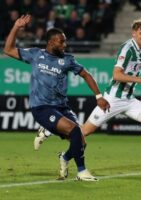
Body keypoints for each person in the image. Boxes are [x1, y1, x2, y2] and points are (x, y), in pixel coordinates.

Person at [34, 18, 141, 173]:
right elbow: (116, 75)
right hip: (112, 100)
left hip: (129, 100)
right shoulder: (127, 49)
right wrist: (139, 79)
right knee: (82, 133)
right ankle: (48, 131)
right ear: (134, 34)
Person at [3, 15, 110, 181]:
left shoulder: (67, 60)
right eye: (61, 41)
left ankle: (65, 158)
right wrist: (16, 27)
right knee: (74, 130)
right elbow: (8, 49)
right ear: (51, 42)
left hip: (62, 107)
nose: (64, 45)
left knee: (80, 141)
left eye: (65, 41)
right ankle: (81, 172)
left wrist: (98, 96)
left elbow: (86, 75)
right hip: (41, 107)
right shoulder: (35, 54)